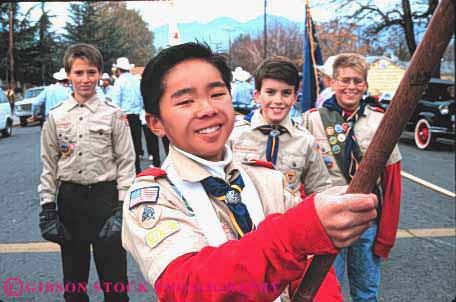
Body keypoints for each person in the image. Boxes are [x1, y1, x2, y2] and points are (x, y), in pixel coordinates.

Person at [121, 42, 379, 302]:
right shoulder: (153, 197)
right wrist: (299, 231)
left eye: (217, 94)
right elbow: (190, 288)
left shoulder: (267, 179)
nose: (208, 109)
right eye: (186, 101)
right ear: (155, 123)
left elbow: (312, 270)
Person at [38, 43, 136, 302]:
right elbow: (48, 166)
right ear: (68, 74)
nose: (85, 79)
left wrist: (122, 208)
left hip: (105, 201)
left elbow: (127, 163)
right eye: (79, 73)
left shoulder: (114, 115)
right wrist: (47, 208)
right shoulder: (56, 117)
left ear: (100, 74)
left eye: (91, 72)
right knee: (73, 283)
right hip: (70, 203)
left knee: (115, 282)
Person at [302, 53, 402, 302]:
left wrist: (386, 235)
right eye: (345, 80)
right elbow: (301, 178)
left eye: (358, 81)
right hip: (326, 221)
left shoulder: (381, 122)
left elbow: (392, 183)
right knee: (323, 293)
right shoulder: (313, 121)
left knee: (366, 293)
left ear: (365, 85)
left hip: (366, 223)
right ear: (332, 82)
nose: (351, 86)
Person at [230, 56, 332, 198]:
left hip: (289, 216)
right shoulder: (235, 135)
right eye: (270, 92)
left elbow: (319, 189)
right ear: (257, 96)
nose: (278, 100)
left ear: (295, 98)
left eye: (286, 93)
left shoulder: (305, 140)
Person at [111, 57, 143, 173]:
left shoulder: (119, 81)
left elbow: (115, 102)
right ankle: (137, 170)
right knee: (135, 144)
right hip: (135, 115)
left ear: (119, 70)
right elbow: (141, 99)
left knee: (123, 146)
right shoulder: (136, 80)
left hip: (124, 116)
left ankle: (127, 171)